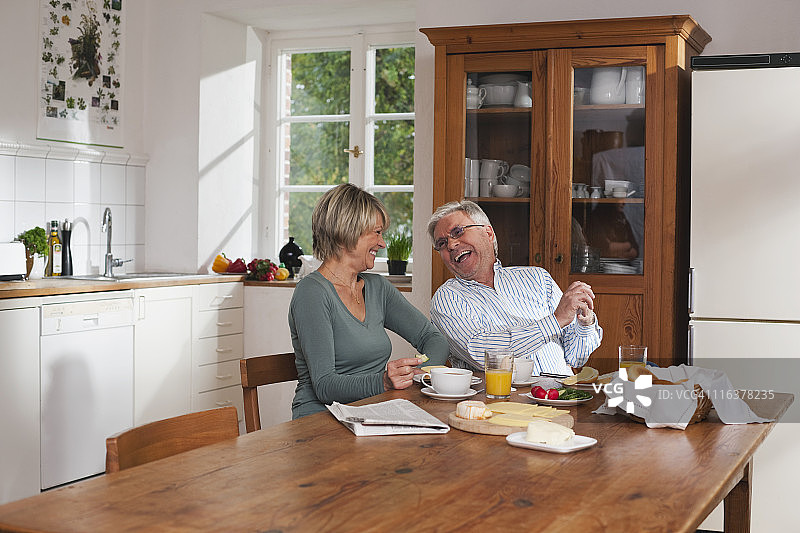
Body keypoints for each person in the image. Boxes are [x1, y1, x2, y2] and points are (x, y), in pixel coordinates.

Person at [289, 184, 449, 418]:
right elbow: (324, 386)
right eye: (376, 232)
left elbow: (433, 338)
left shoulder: (377, 288)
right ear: (346, 232)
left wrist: (418, 374)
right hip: (321, 419)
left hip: (372, 412)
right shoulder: (312, 293)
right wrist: (383, 382)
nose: (382, 243)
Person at [427, 200, 602, 375]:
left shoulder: (538, 279)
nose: (450, 245)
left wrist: (584, 323)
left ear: (488, 233)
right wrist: (555, 321)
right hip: (501, 401)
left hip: (561, 397)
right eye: (442, 243)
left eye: (457, 232)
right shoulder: (447, 299)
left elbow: (575, 357)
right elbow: (483, 355)